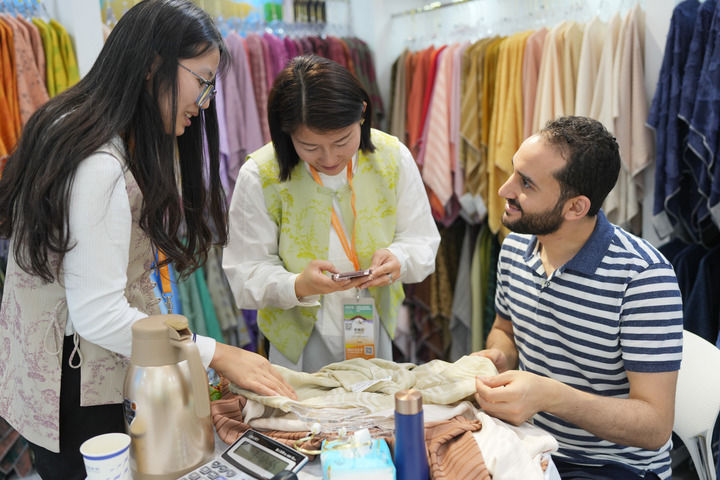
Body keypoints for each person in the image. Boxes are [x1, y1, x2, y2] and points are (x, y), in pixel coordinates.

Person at [0, 2, 294, 479]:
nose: (205, 103)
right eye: (202, 81)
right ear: (154, 64)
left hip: (66, 376)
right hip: (80, 387)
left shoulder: (86, 131)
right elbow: (97, 313)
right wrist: (217, 354)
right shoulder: (98, 165)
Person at [472, 116, 683, 480]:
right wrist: (499, 356)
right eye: (514, 172)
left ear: (575, 208)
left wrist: (549, 396)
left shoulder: (643, 277)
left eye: (526, 183)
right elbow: (504, 330)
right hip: (529, 448)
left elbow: (655, 426)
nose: (505, 189)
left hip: (613, 467)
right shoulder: (515, 247)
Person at [223, 55, 440, 372]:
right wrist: (297, 285)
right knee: (302, 403)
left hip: (372, 322)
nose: (329, 158)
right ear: (286, 132)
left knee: (374, 398)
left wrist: (399, 259)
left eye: (342, 141)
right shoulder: (261, 174)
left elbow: (422, 240)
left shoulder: (393, 157)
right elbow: (245, 272)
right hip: (296, 339)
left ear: (362, 114)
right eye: (310, 147)